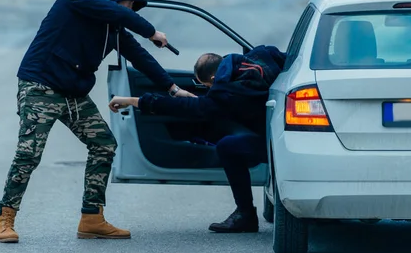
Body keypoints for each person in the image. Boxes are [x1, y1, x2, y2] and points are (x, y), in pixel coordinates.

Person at [0, 0, 195, 243]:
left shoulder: (112, 30)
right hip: (40, 85)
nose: (130, 9)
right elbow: (120, 14)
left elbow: (140, 57)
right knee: (29, 153)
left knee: (104, 144)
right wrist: (151, 31)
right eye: (130, 3)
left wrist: (172, 88)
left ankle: (92, 217)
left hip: (73, 94)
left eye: (135, 7)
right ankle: (6, 218)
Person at [109, 45, 286, 233]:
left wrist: (133, 101)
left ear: (212, 79)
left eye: (207, 86)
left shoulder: (226, 94)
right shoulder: (261, 55)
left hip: (276, 144)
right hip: (291, 134)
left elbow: (185, 107)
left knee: (228, 147)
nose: (209, 90)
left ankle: (246, 214)